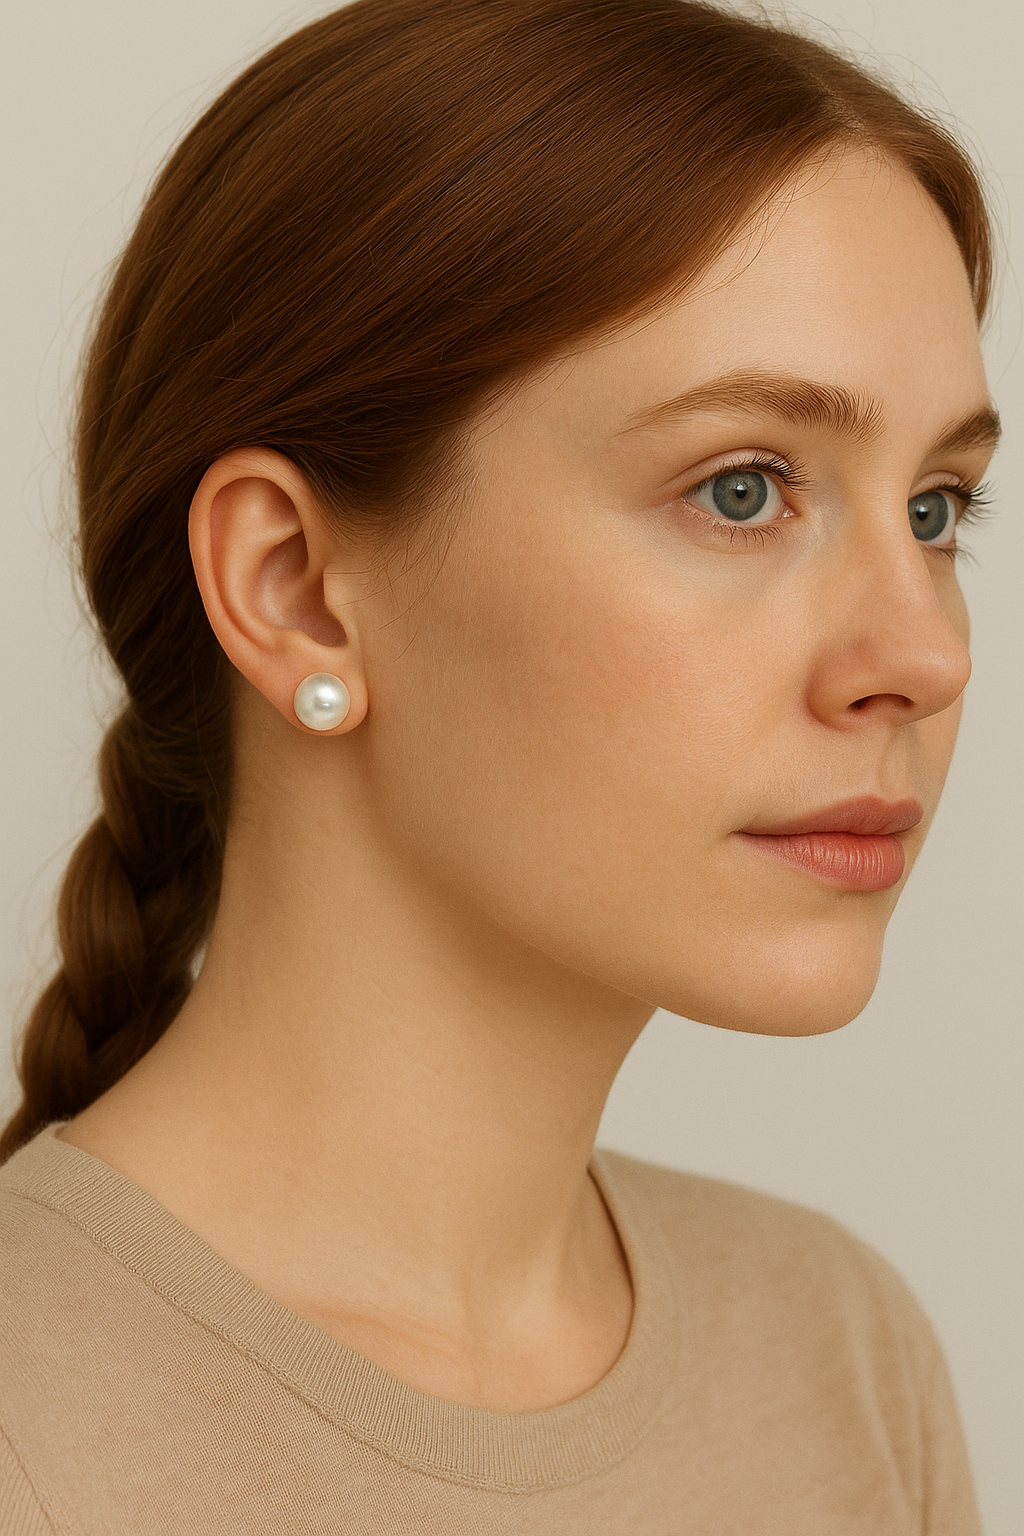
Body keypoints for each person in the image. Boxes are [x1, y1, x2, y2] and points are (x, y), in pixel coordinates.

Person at [0, 0, 1000, 1529]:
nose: (926, 655)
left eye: (937, 509)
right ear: (294, 588)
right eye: (743, 489)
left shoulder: (841, 1355)